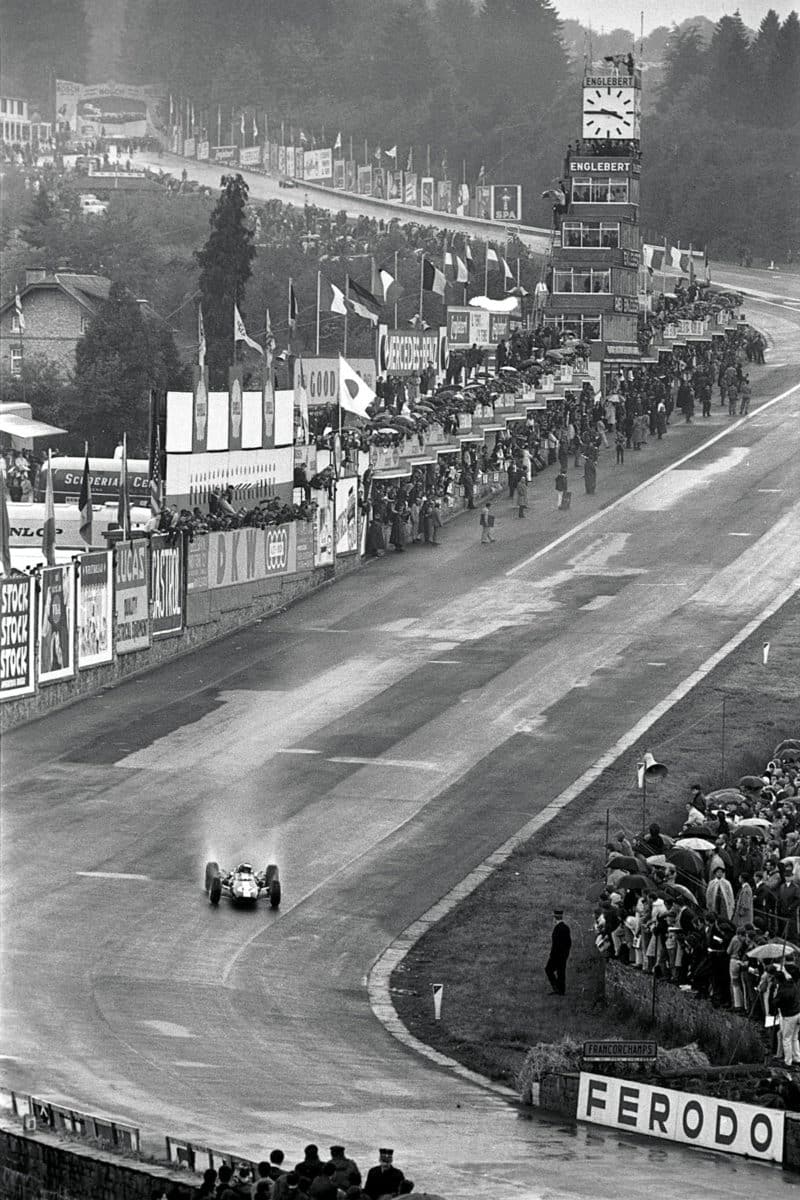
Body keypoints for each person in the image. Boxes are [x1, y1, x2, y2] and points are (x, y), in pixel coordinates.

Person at [545, 908, 572, 995]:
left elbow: (555, 944)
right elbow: (569, 943)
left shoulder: (557, 929)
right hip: (564, 954)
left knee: (548, 969)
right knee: (561, 972)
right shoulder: (566, 928)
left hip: (556, 955)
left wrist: (552, 955)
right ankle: (561, 990)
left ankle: (557, 988)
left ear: (555, 918)